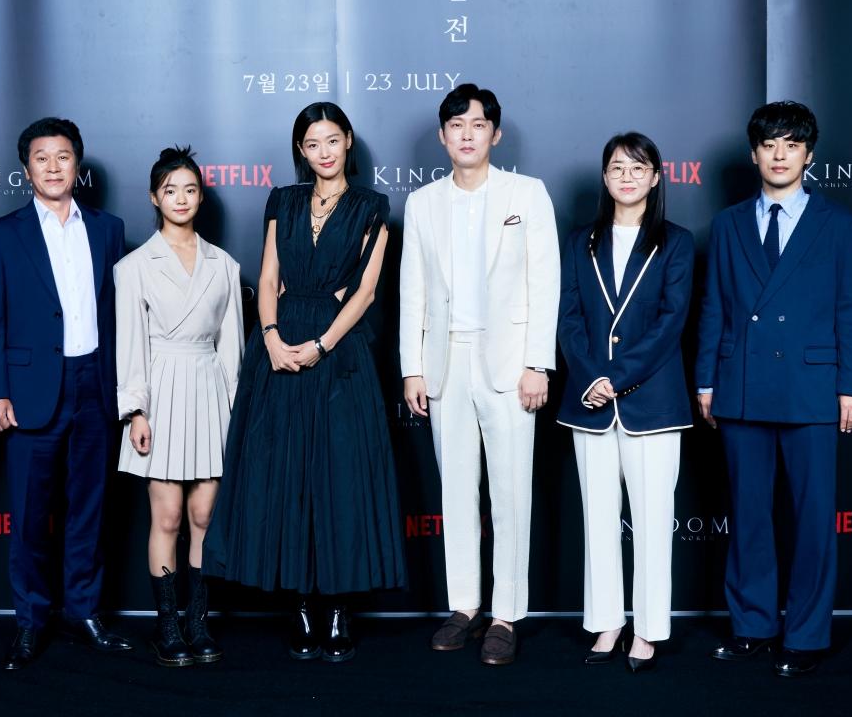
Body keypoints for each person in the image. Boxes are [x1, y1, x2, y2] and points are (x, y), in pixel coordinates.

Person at [202, 101, 406, 663]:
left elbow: (365, 292)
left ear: (348, 141)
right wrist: (269, 336)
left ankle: (338, 608)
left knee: (339, 478)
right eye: (313, 143)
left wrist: (322, 344)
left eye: (332, 140)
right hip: (279, 345)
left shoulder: (372, 206)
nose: (324, 152)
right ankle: (298, 606)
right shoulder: (284, 201)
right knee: (285, 474)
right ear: (301, 150)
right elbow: (268, 276)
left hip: (339, 351)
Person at [696, 101, 852, 677]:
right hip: (741, 385)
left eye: (791, 144)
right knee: (748, 514)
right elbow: (714, 307)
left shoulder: (838, 224)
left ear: (808, 155)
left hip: (813, 388)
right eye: (769, 144)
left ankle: (807, 633)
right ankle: (752, 625)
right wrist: (706, 380)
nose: (779, 154)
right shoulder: (727, 224)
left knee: (813, 518)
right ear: (754, 154)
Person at [399, 83, 560, 666]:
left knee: (511, 494)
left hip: (510, 364)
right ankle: (464, 605)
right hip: (446, 362)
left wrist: (537, 363)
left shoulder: (527, 193)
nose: (466, 135)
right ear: (443, 137)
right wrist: (413, 368)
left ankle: (506, 614)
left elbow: (545, 282)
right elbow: (413, 290)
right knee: (456, 490)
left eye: (477, 125)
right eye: (456, 126)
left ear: (495, 133)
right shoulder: (423, 203)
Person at [0, 117, 130, 669]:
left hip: (95, 383)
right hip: (30, 390)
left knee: (89, 508)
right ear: (26, 169)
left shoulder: (108, 229)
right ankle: (30, 620)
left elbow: (119, 315)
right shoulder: (2, 233)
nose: (53, 166)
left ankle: (84, 610)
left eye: (63, 156)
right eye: (41, 158)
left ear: (77, 165)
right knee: (29, 515)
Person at [557, 132, 695, 673]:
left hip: (652, 402)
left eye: (639, 168)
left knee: (654, 521)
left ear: (656, 177)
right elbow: (568, 318)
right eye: (617, 167)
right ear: (605, 176)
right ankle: (607, 622)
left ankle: (649, 629)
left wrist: (614, 378)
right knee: (598, 519)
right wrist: (592, 378)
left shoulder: (676, 242)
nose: (627, 177)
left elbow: (670, 323)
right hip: (588, 402)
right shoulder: (580, 241)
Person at [115, 146, 244, 667]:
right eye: (171, 190)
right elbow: (130, 346)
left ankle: (198, 622)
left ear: (201, 196)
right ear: (154, 197)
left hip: (209, 389)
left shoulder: (225, 264)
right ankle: (167, 626)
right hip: (161, 391)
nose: (182, 198)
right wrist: (136, 411)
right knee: (167, 517)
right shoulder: (134, 267)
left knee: (204, 514)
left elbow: (232, 349)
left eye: (191, 189)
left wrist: (235, 414)